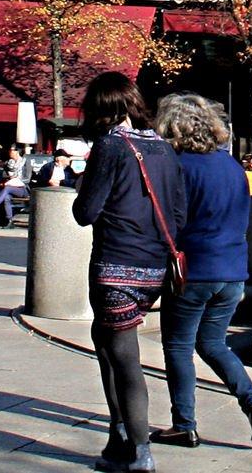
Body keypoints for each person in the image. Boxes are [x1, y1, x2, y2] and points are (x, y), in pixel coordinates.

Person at [72, 73, 185, 473]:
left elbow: (84, 213)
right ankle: (117, 438)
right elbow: (178, 214)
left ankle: (140, 451)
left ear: (99, 109)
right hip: (154, 267)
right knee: (105, 341)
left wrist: (83, 180)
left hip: (115, 264)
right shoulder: (165, 150)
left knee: (123, 356)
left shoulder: (110, 146)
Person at [150, 94, 252, 450]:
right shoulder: (234, 167)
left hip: (194, 269)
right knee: (214, 343)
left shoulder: (178, 166)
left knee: (178, 346)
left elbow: (170, 221)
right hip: (233, 270)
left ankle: (184, 424)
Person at [0, 146, 30, 227]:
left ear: (17, 152)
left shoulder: (26, 162)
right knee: (6, 198)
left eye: (12, 151)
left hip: (22, 188)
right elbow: (4, 175)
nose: (10, 152)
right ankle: (9, 220)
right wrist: (9, 177)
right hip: (10, 187)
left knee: (7, 188)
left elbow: (28, 178)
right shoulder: (8, 163)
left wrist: (16, 180)